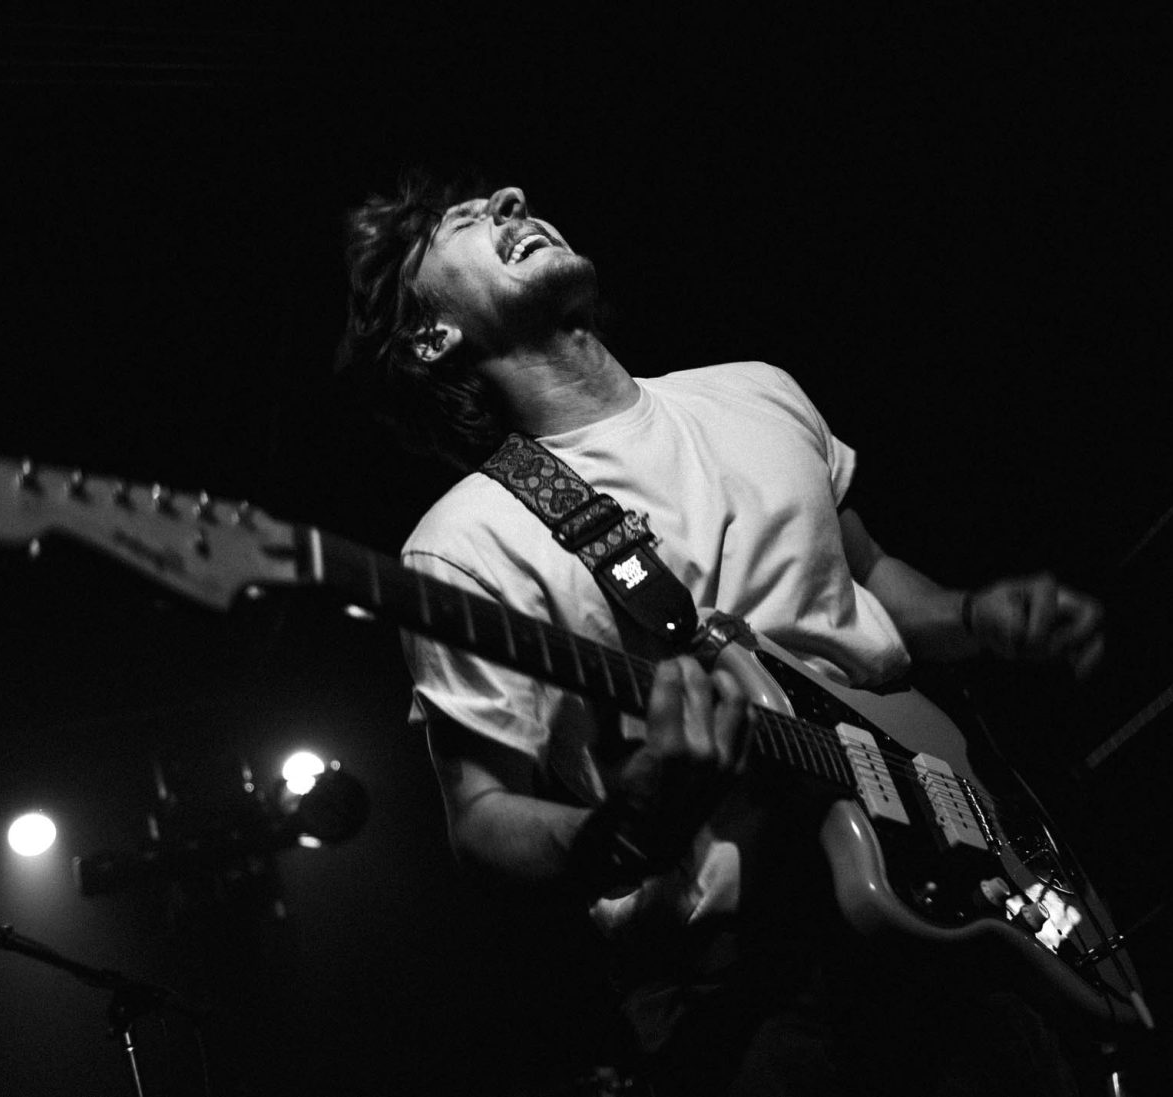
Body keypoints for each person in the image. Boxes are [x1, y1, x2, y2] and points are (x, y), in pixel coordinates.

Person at [337, 175, 1107, 1096]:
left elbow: (869, 583)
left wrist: (978, 617)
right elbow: (483, 824)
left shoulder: (756, 393)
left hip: (958, 909)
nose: (510, 200)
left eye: (506, 203)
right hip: (746, 995)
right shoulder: (466, 543)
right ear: (433, 337)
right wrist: (632, 821)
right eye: (466, 222)